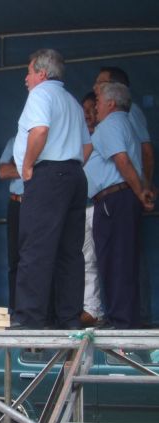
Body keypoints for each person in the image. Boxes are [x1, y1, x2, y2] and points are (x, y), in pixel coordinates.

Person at [11, 49, 90, 330]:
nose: (26, 78)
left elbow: (40, 130)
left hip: (48, 175)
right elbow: (87, 146)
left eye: (29, 72)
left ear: (42, 73)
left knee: (35, 248)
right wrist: (71, 166)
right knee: (70, 252)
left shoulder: (40, 94)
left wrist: (27, 166)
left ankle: (30, 319)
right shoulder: (72, 101)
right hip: (75, 175)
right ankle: (69, 318)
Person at [85, 82, 154, 329]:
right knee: (121, 259)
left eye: (99, 101)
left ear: (111, 103)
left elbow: (122, 160)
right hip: (119, 199)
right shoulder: (124, 123)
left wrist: (141, 191)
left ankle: (121, 322)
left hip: (113, 199)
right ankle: (124, 319)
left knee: (115, 261)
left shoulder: (111, 124)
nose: (96, 106)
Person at [80, 92, 104, 326]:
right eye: (84, 109)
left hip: (102, 204)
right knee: (86, 260)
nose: (87, 113)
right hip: (82, 206)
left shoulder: (105, 134)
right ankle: (92, 309)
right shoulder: (77, 138)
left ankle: (110, 309)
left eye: (91, 108)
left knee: (107, 258)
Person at [0, 136, 23, 311]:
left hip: (39, 203)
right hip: (17, 203)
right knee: (15, 259)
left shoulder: (47, 137)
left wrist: (18, 166)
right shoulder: (14, 141)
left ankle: (44, 312)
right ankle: (17, 310)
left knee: (41, 258)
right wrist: (31, 167)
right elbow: (3, 172)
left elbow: (48, 172)